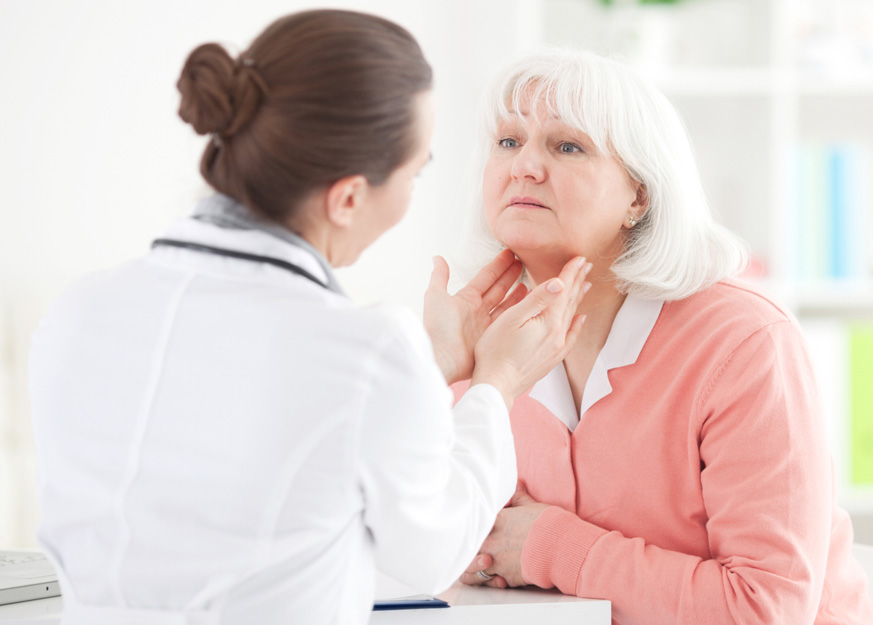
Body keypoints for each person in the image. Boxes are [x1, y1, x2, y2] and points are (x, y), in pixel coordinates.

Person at [29, 11, 590, 625]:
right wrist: (493, 387)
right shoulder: (363, 347)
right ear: (348, 197)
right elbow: (433, 551)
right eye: (416, 171)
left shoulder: (80, 310)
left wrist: (433, 375)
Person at [453, 48, 873, 625]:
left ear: (639, 197)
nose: (524, 167)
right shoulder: (481, 337)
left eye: (567, 145)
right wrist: (436, 373)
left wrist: (550, 546)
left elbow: (764, 609)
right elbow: (429, 545)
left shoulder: (744, 343)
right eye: (508, 142)